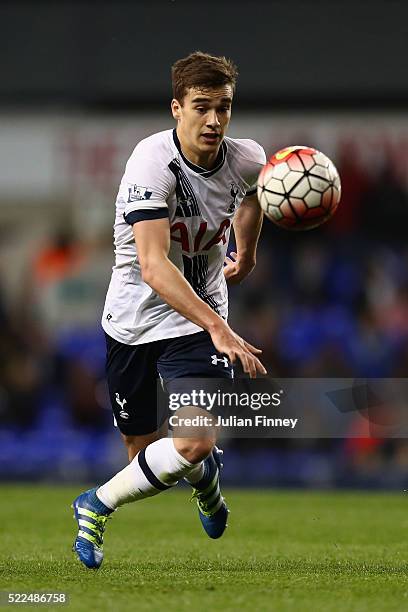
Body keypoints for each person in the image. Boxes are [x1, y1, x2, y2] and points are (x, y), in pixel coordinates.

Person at [72, 51, 267, 569]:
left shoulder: (246, 157)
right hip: (135, 318)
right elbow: (155, 268)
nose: (215, 120)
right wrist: (221, 327)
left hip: (197, 321)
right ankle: (208, 485)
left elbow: (251, 196)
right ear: (176, 108)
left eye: (223, 107)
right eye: (202, 107)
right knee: (143, 455)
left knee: (194, 440)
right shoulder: (151, 163)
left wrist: (245, 254)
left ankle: (94, 505)